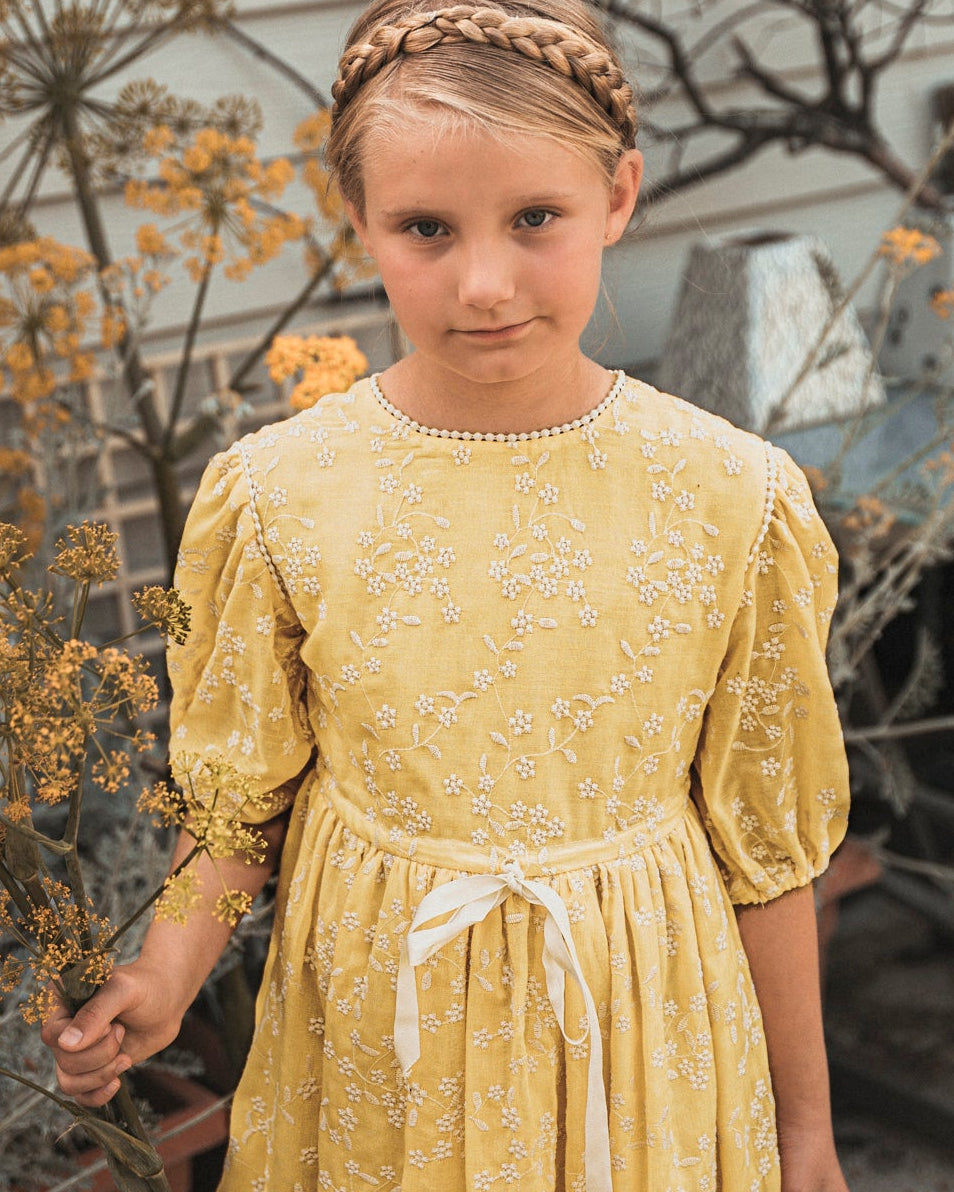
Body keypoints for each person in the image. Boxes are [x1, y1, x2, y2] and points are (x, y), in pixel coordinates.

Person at [44, 2, 852, 1189]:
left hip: (643, 1028)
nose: (483, 282)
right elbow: (236, 801)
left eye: (536, 218)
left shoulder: (733, 496)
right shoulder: (279, 494)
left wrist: (804, 1138)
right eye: (426, 227)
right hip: (380, 1042)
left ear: (619, 195)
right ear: (356, 217)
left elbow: (767, 850)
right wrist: (162, 976)